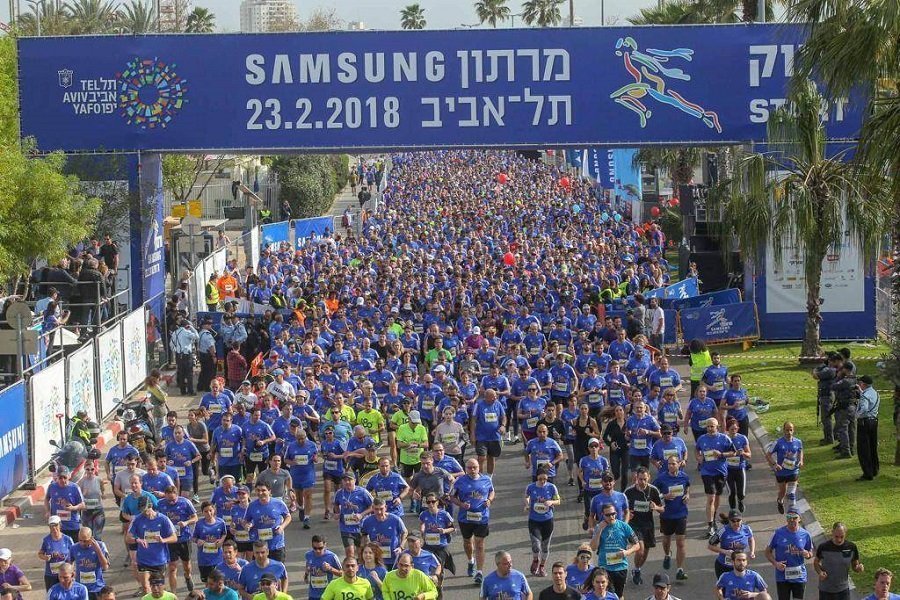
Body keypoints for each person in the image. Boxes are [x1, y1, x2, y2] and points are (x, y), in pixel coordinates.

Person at [450, 458, 495, 585]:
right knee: (467, 542)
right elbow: (452, 497)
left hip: (482, 517)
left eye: (475, 467)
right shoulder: (460, 481)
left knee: (480, 544)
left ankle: (479, 572)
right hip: (465, 518)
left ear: (479, 467)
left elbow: (492, 492)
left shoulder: (486, 479)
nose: (472, 470)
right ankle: (471, 561)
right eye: (469, 468)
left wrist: (489, 500)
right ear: (465, 469)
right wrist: (461, 504)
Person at [126, 497, 178, 597]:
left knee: (158, 589)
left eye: (145, 509)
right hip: (143, 560)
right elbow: (128, 538)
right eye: (141, 510)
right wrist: (137, 540)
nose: (144, 512)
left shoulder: (163, 519)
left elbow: (174, 537)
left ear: (150, 506)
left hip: (159, 560)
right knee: (146, 587)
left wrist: (164, 540)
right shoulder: (137, 520)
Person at [695, 417, 737, 538]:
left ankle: (713, 517)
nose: (710, 428)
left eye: (712, 426)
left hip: (721, 472)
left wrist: (722, 454)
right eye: (708, 426)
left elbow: (733, 452)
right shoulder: (702, 439)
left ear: (717, 427)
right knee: (711, 498)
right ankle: (710, 524)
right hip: (706, 472)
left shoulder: (724, 438)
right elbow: (696, 450)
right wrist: (698, 458)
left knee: (717, 497)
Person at [590, 502, 640, 600]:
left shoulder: (623, 526)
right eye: (608, 515)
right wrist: (599, 530)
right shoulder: (599, 527)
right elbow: (593, 547)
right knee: (606, 595)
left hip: (620, 567)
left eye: (613, 514)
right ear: (602, 515)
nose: (611, 516)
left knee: (618, 595)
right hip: (605, 567)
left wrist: (627, 552)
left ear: (616, 513)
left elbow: (637, 545)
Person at [653, 455, 691, 581]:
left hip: (681, 513)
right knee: (666, 540)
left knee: (680, 543)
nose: (671, 466)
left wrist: (687, 495)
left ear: (679, 464)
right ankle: (667, 554)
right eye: (669, 464)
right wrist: (664, 496)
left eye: (673, 463)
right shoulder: (661, 478)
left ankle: (680, 569)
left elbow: (687, 487)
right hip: (667, 514)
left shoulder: (684, 477)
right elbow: (652, 493)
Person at [624, 466, 663, 586]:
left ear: (649, 478)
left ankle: (637, 569)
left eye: (645, 479)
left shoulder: (654, 490)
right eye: (640, 479)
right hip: (634, 524)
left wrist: (655, 507)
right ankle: (636, 569)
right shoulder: (629, 492)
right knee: (640, 549)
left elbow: (662, 508)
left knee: (645, 551)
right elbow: (621, 509)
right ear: (636, 478)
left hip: (648, 525)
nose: (642, 482)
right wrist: (627, 514)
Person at [156, 485, 198, 594]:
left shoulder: (185, 502)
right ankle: (174, 594)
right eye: (168, 499)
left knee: (186, 565)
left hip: (184, 538)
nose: (171, 502)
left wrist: (186, 523)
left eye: (173, 500)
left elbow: (195, 517)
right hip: (170, 540)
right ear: (165, 495)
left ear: (177, 494)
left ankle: (188, 576)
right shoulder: (160, 504)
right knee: (172, 567)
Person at [765, 509, 814, 600]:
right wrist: (776, 564)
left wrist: (807, 554)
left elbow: (810, 552)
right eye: (789, 517)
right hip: (782, 575)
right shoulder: (778, 533)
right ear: (786, 519)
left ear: (799, 519)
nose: (792, 520)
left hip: (799, 575)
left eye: (794, 518)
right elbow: (767, 552)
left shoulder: (805, 534)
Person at [524, 465, 561, 577]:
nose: (542, 481)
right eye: (540, 479)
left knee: (545, 547)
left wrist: (551, 502)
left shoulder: (552, 487)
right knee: (536, 545)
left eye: (545, 479)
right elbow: (526, 497)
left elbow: (558, 501)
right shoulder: (531, 487)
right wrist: (527, 504)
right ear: (537, 478)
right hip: (534, 520)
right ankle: (536, 560)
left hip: (547, 521)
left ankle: (542, 566)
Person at [813, 522, 863, 600]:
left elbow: (855, 566)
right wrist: (820, 572)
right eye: (836, 536)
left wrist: (858, 568)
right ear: (832, 533)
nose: (839, 540)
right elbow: (816, 562)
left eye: (841, 537)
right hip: (826, 590)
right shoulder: (823, 547)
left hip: (843, 590)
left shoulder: (851, 547)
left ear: (845, 534)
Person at [245, 483, 291, 563]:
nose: (260, 493)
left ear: (269, 491)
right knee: (260, 572)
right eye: (258, 490)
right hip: (260, 547)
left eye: (263, 490)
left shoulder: (278, 503)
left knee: (277, 572)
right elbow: (246, 521)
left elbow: (288, 517)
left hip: (276, 545)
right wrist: (247, 525)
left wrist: (282, 527)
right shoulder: (252, 506)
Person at [765, 422, 804, 514]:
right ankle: (780, 501)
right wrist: (775, 464)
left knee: (791, 493)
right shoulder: (778, 442)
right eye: (787, 430)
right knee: (783, 492)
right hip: (781, 472)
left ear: (793, 430)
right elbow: (768, 455)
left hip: (793, 471)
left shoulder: (798, 442)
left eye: (791, 430)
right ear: (783, 430)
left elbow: (800, 450)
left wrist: (801, 460)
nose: (789, 432)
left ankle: (792, 513)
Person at [360, 499, 408, 570]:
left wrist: (401, 547)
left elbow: (405, 532)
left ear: (385, 507)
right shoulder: (367, 521)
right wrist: (364, 549)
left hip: (393, 558)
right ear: (372, 508)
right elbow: (364, 535)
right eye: (376, 509)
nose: (379, 512)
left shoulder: (395, 519)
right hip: (376, 558)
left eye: (381, 509)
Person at [708, 510, 756, 579]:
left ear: (741, 520)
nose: (736, 523)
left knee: (740, 588)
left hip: (740, 566)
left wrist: (752, 551)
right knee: (725, 589)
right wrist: (725, 551)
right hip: (724, 566)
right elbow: (710, 546)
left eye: (738, 520)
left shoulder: (747, 529)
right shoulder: (723, 531)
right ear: (729, 521)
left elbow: (751, 539)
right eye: (733, 521)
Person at [45, 467, 87, 542]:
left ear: (69, 476)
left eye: (65, 477)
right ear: (57, 477)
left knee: (73, 549)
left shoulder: (74, 488)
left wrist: (73, 508)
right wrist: (48, 511)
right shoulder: (52, 487)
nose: (62, 480)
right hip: (57, 526)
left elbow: (83, 504)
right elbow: (46, 499)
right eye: (60, 478)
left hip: (72, 525)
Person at [67, 527, 109, 600]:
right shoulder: (74, 548)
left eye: (85, 541)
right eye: (80, 540)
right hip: (80, 588)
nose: (82, 543)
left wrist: (98, 550)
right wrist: (71, 575)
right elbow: (68, 564)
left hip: (96, 588)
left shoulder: (101, 545)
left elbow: (105, 567)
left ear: (91, 538)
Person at [192, 502, 228, 585]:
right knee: (208, 583)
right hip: (204, 559)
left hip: (218, 558)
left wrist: (221, 540)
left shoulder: (221, 522)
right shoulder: (199, 524)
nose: (209, 513)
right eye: (206, 511)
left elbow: (224, 533)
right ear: (202, 512)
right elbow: (193, 538)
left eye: (210, 510)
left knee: (220, 582)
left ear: (214, 510)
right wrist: (198, 541)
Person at [724, 417, 751, 513]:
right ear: (727, 429)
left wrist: (743, 453)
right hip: (728, 469)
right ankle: (733, 510)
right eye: (731, 429)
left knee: (741, 493)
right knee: (731, 492)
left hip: (740, 468)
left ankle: (740, 500)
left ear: (738, 428)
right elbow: (720, 454)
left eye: (736, 429)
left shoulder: (742, 438)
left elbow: (749, 455)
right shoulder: (724, 439)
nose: (734, 431)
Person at [856, 375, 880, 481]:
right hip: (874, 421)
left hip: (865, 422)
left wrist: (857, 415)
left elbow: (865, 408)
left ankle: (867, 473)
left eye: (860, 382)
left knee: (864, 448)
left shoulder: (864, 395)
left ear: (864, 384)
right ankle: (875, 469)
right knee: (872, 446)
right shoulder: (875, 393)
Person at [304, 535, 342, 600]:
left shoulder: (332, 556)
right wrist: (306, 575)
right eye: (315, 548)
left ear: (325, 545)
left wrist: (330, 568)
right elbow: (308, 566)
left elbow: (342, 574)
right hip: (313, 594)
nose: (317, 551)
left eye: (320, 548)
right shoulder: (308, 555)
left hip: (327, 594)